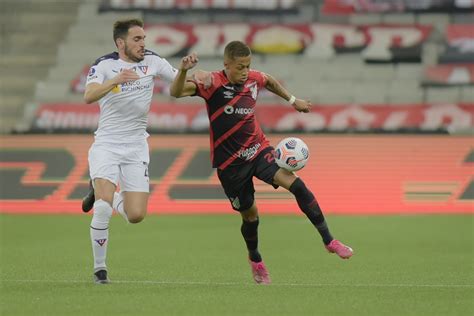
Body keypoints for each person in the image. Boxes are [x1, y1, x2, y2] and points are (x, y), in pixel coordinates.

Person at [169, 41, 353, 285]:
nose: (245, 71)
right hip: (231, 166)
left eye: (248, 65)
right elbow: (176, 92)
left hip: (258, 151)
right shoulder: (211, 84)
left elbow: (269, 80)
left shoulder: (253, 79)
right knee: (250, 215)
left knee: (297, 185)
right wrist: (183, 71)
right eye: (240, 67)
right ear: (227, 65)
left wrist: (292, 99)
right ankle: (255, 259)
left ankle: (329, 240)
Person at [81, 19, 207, 284]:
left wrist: (193, 72)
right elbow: (89, 95)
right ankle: (100, 270)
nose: (142, 44)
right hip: (107, 144)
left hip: (137, 145)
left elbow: (180, 82)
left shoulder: (153, 61)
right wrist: (115, 80)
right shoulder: (104, 65)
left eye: (143, 39)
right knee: (102, 209)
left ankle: (103, 192)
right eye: (137, 39)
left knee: (135, 215)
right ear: (120, 43)